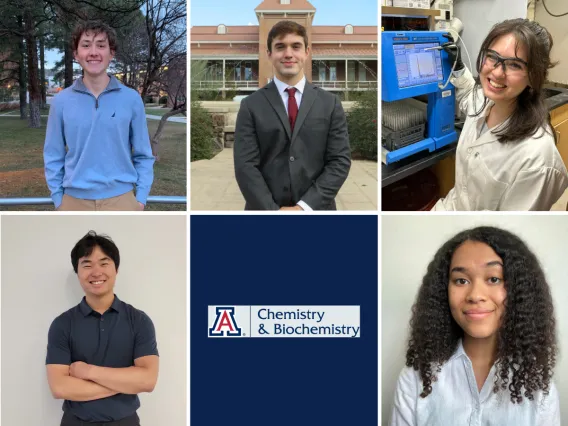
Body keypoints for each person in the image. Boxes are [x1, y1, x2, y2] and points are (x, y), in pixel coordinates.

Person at [389, 226, 560, 425]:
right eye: (461, 280)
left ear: (520, 290)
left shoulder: (539, 388)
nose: (475, 295)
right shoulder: (415, 379)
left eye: (494, 279)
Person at [433, 19, 568, 211]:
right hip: (449, 210)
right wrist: (458, 67)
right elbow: (469, 96)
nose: (497, 72)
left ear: (534, 75)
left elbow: (509, 232)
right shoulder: (487, 101)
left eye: (514, 65)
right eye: (492, 56)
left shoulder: (536, 159)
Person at [234, 20, 351, 210]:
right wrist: (274, 212)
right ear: (269, 54)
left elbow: (339, 161)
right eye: (280, 47)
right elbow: (245, 166)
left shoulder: (330, 103)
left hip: (317, 210)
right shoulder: (250, 105)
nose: (288, 54)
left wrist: (303, 208)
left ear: (306, 51)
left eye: (296, 46)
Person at [46, 231, 159, 426]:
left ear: (116, 269)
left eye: (104, 263)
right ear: (77, 272)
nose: (96, 272)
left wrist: (88, 371)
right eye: (87, 265)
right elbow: (60, 387)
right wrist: (125, 383)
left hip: (126, 422)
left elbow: (147, 381)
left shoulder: (139, 320)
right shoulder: (62, 324)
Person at [44, 20, 155, 211]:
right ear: (76, 54)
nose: (93, 52)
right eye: (86, 45)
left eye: (101, 45)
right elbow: (53, 154)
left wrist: (141, 197)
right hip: (73, 201)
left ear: (111, 53)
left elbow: (144, 154)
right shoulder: (61, 101)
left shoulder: (131, 99)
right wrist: (58, 199)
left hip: (122, 200)